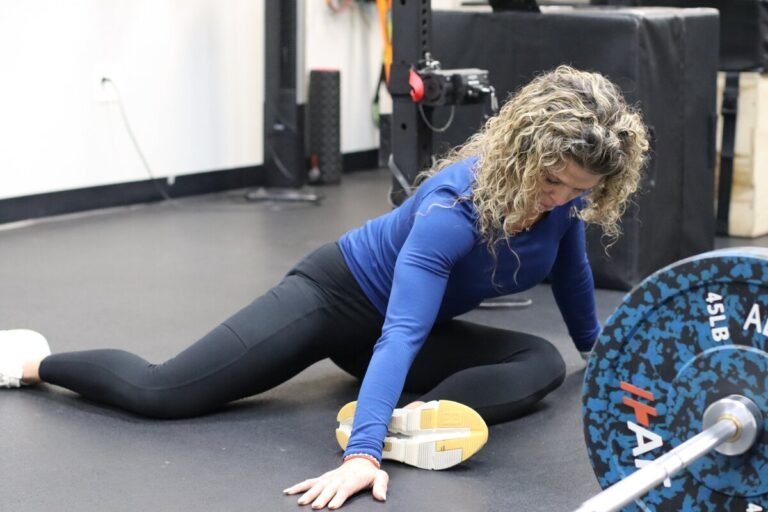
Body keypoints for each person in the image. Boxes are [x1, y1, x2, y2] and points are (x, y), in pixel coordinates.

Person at [0, 65, 649, 510]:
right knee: (162, 391)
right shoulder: (453, 211)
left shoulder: (564, 207)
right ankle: (31, 360)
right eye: (551, 181)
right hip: (335, 300)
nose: (558, 200)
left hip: (385, 340)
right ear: (523, 154)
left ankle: (403, 424)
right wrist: (361, 458)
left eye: (577, 191)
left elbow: (572, 272)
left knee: (536, 360)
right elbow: (403, 330)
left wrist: (599, 351)